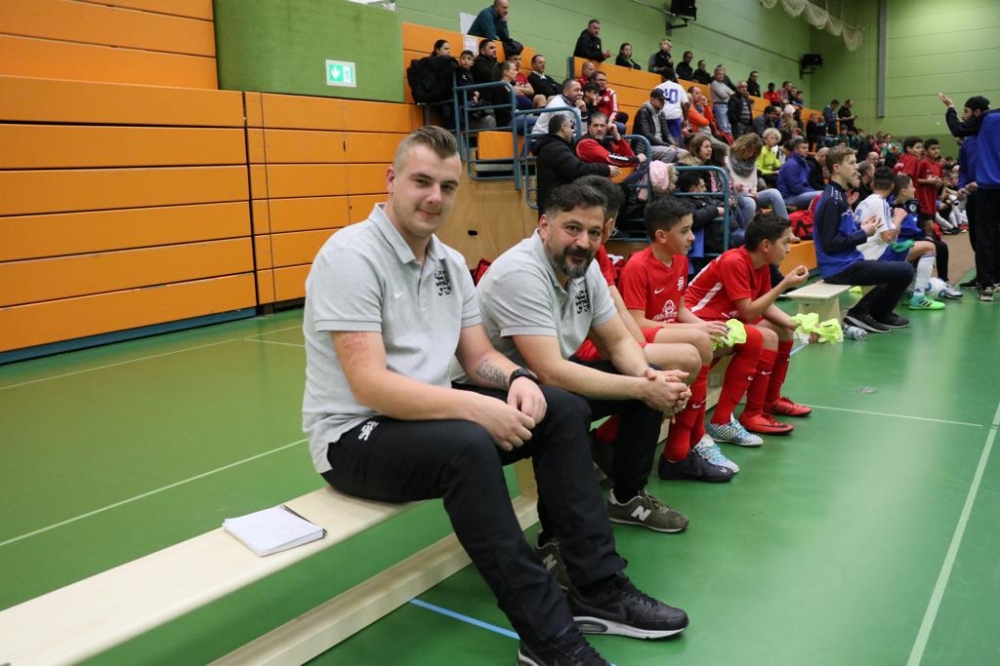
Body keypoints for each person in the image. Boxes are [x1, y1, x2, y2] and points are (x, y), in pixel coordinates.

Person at [303, 127, 689, 666]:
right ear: (391, 180)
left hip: (429, 419)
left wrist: (518, 380)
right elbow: (371, 386)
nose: (434, 197)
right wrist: (476, 406)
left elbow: (477, 356)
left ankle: (598, 588)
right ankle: (548, 638)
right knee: (466, 447)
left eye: (446, 186)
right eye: (421, 182)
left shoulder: (448, 262)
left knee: (563, 409)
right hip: (355, 436)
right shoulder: (351, 256)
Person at [474, 180, 695, 534]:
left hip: (540, 376)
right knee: (568, 409)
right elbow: (551, 371)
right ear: (544, 226)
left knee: (647, 377)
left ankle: (627, 499)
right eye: (572, 228)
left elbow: (618, 342)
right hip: (488, 385)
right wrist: (643, 388)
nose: (583, 242)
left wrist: (651, 379)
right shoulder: (520, 272)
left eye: (593, 232)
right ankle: (556, 538)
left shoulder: (585, 268)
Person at [618, 196, 739, 480]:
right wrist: (695, 332)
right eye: (685, 231)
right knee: (699, 342)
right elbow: (636, 323)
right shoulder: (637, 266)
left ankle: (694, 439)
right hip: (641, 336)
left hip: (666, 333)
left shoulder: (680, 261)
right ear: (661, 235)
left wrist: (705, 325)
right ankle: (689, 443)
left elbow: (681, 310)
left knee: (729, 337)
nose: (692, 237)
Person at [686, 212, 814, 437]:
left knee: (783, 331)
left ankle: (770, 401)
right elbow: (748, 311)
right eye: (785, 242)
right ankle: (746, 415)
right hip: (699, 321)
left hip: (725, 320)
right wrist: (784, 284)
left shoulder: (761, 264)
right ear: (766, 245)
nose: (788, 248)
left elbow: (765, 306)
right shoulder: (735, 261)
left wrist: (798, 326)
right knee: (763, 337)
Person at [812, 146, 915, 333]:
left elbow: (841, 231)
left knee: (890, 268)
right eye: (851, 163)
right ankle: (863, 312)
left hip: (848, 261)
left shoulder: (838, 195)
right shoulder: (831, 200)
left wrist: (860, 227)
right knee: (905, 270)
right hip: (838, 268)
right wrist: (863, 233)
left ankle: (875, 313)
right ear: (837, 168)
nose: (856, 167)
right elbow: (829, 243)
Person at [854, 169, 950, 310]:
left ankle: (907, 292)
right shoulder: (882, 203)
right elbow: (887, 237)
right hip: (872, 256)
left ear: (873, 184)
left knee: (915, 247)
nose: (914, 189)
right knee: (929, 247)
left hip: (861, 253)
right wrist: (898, 218)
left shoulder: (863, 202)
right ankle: (918, 297)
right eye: (911, 186)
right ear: (893, 186)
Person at [533, 113, 618, 216]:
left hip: (557, 203)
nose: (572, 131)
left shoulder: (557, 146)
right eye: (571, 127)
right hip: (555, 207)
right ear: (563, 128)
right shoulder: (555, 148)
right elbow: (577, 169)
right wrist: (605, 169)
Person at [727, 133, 790, 223]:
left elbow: (754, 183)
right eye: (749, 150)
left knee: (774, 193)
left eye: (753, 152)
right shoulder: (727, 160)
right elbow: (726, 184)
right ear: (741, 146)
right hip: (736, 196)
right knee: (750, 202)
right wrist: (738, 187)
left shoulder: (752, 162)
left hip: (750, 195)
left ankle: (786, 226)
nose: (750, 154)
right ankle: (744, 230)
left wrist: (754, 191)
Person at [632, 88, 683, 162]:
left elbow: (666, 132)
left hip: (660, 145)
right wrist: (667, 145)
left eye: (664, 100)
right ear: (652, 99)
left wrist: (674, 145)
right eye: (660, 100)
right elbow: (647, 136)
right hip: (646, 146)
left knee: (685, 154)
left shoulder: (661, 113)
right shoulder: (643, 112)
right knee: (670, 152)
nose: (663, 102)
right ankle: (657, 169)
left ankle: (673, 169)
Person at [577, 112, 644, 167]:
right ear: (589, 128)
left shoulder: (607, 143)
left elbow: (629, 157)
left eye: (602, 126)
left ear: (607, 128)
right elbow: (611, 158)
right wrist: (637, 159)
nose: (599, 129)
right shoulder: (585, 143)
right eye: (595, 125)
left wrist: (617, 136)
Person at [777, 138, 824, 209]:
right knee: (823, 195)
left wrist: (813, 191)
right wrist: (813, 191)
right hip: (788, 198)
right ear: (796, 150)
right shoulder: (791, 164)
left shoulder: (803, 163)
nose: (807, 150)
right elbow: (796, 189)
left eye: (807, 148)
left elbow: (805, 185)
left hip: (799, 194)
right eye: (804, 148)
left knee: (825, 194)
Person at [654, 68, 690, 145]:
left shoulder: (658, 87)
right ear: (673, 78)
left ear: (662, 77)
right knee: (675, 140)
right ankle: (675, 150)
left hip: (661, 115)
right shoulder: (679, 87)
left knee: (660, 139)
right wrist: (685, 119)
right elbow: (686, 103)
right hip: (675, 115)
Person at [710, 66, 734, 135]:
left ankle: (729, 141)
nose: (721, 76)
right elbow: (723, 96)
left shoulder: (723, 84)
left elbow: (733, 95)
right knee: (724, 127)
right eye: (719, 74)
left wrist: (727, 92)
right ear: (715, 75)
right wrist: (728, 92)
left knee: (729, 127)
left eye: (723, 74)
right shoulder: (714, 83)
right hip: (719, 106)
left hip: (726, 106)